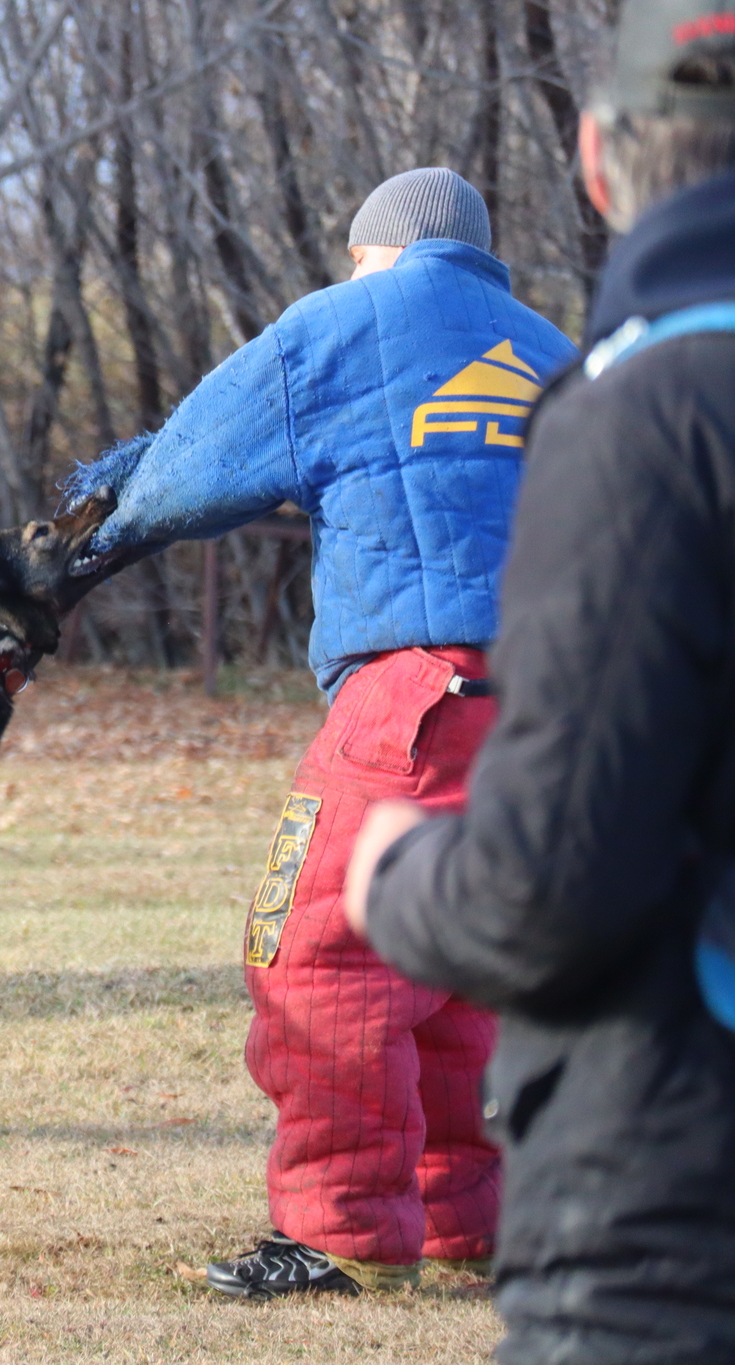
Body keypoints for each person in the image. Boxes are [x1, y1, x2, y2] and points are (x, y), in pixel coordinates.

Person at [69, 169, 575, 1298]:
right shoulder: (550, 350)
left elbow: (190, 469)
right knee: (458, 960)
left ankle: (341, 1226)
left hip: (415, 690)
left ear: (376, 252)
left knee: (318, 952)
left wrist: (77, 546)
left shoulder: (339, 326)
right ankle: (468, 1217)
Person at [344, 2, 735, 1358]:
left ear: (596, 156)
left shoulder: (642, 417)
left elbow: (549, 894)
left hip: (675, 1212)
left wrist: (399, 878)